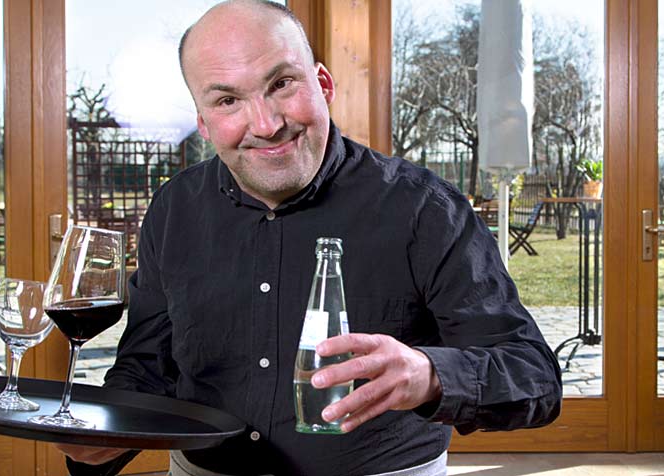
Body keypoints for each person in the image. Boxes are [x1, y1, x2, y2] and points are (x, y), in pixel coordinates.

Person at [57, 1, 562, 474]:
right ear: (204, 124)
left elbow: (534, 378)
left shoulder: (425, 208)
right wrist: (100, 443)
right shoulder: (174, 208)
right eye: (228, 99)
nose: (266, 124)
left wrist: (427, 374)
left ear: (322, 83)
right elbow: (147, 368)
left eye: (281, 84)